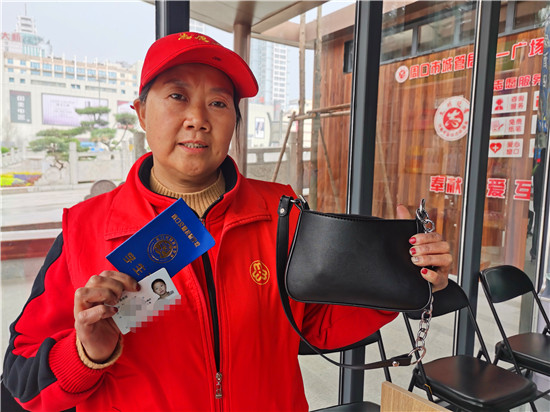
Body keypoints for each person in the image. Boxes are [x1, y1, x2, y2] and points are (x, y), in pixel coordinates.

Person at [3, 32, 452, 411]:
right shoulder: (85, 229)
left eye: (218, 103)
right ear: (140, 113)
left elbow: (314, 324)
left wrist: (403, 276)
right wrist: (85, 354)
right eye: (177, 96)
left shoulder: (283, 212)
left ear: (234, 121)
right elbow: (21, 379)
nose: (198, 119)